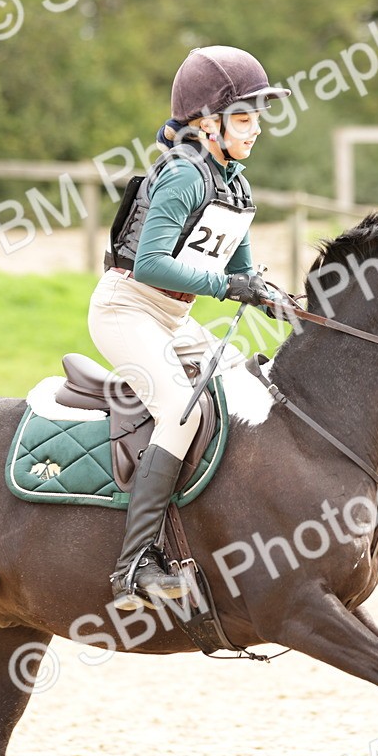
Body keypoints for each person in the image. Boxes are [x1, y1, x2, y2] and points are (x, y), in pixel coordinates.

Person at [88, 46, 290, 610]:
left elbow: (242, 270)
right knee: (182, 411)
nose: (258, 129)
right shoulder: (182, 176)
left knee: (245, 393)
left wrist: (276, 296)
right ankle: (133, 568)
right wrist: (230, 288)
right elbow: (151, 263)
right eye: (246, 116)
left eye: (257, 116)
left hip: (174, 318)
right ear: (208, 122)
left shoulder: (234, 183)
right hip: (127, 309)